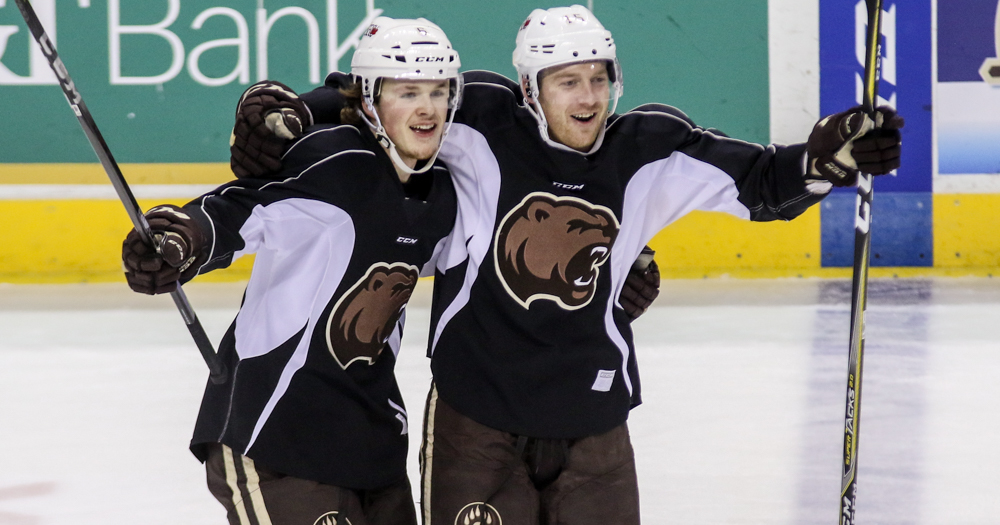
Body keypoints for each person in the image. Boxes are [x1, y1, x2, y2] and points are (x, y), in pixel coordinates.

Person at [228, 5, 904, 524]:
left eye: (598, 79)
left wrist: (827, 158)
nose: (587, 98)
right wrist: (284, 110)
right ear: (529, 87)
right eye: (567, 81)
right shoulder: (476, 118)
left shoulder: (648, 147)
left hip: (593, 427)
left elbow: (761, 181)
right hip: (477, 421)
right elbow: (372, 95)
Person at [121, 17, 465, 525]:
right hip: (274, 437)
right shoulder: (334, 165)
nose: (426, 108)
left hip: (372, 445)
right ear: (370, 100)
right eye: (407, 91)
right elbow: (240, 209)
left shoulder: (445, 192)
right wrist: (181, 239)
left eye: (438, 92)